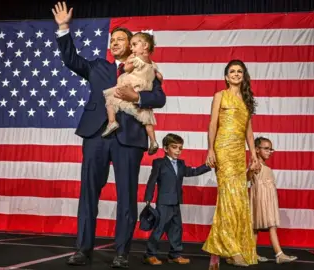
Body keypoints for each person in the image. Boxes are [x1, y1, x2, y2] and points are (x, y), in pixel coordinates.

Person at [52, 2, 166, 268]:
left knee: (126, 196)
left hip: (129, 138)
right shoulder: (98, 67)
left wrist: (137, 96)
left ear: (133, 44)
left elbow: (160, 97)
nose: (114, 43)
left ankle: (121, 253)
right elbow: (71, 59)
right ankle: (83, 249)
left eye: (121, 40)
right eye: (112, 39)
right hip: (96, 135)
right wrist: (63, 28)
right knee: (89, 192)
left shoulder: (145, 67)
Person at [202, 59, 260, 269]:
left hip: (238, 153)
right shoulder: (220, 95)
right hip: (223, 150)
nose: (236, 74)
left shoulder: (246, 100)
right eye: (232, 71)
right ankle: (231, 249)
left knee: (238, 199)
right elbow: (212, 123)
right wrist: (210, 149)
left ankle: (222, 252)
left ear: (243, 76)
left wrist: (253, 154)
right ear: (226, 76)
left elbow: (249, 131)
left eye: (239, 71)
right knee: (228, 197)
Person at [143, 133, 211, 265]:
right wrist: (148, 197)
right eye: (174, 147)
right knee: (159, 228)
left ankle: (175, 254)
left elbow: (192, 172)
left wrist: (207, 166)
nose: (178, 151)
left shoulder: (181, 164)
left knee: (176, 228)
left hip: (176, 202)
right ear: (165, 148)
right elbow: (152, 181)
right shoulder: (159, 163)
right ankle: (150, 254)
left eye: (180, 148)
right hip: (163, 202)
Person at [102, 32, 160, 155]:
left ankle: (112, 122)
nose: (131, 48)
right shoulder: (152, 64)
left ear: (144, 46)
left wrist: (128, 62)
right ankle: (153, 141)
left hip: (131, 85)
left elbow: (126, 69)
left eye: (133, 45)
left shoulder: (135, 60)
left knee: (110, 98)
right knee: (147, 117)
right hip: (144, 87)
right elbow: (159, 76)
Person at [248, 137, 298, 264]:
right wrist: (250, 169)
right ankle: (279, 254)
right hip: (261, 199)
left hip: (267, 198)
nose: (269, 151)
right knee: (271, 226)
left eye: (271, 149)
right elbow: (247, 177)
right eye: (266, 149)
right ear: (257, 150)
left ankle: (251, 254)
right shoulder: (256, 164)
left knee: (256, 228)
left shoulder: (263, 164)